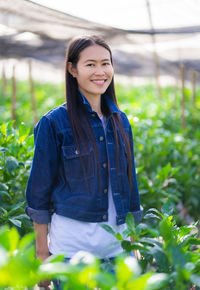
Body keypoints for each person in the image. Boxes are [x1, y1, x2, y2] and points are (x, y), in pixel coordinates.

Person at [25, 35, 143, 289]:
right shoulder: (54, 123)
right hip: (70, 253)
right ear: (72, 69)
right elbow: (38, 195)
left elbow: (131, 186)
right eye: (90, 64)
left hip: (116, 251)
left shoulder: (120, 121)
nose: (100, 72)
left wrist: (133, 244)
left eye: (106, 63)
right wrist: (42, 254)